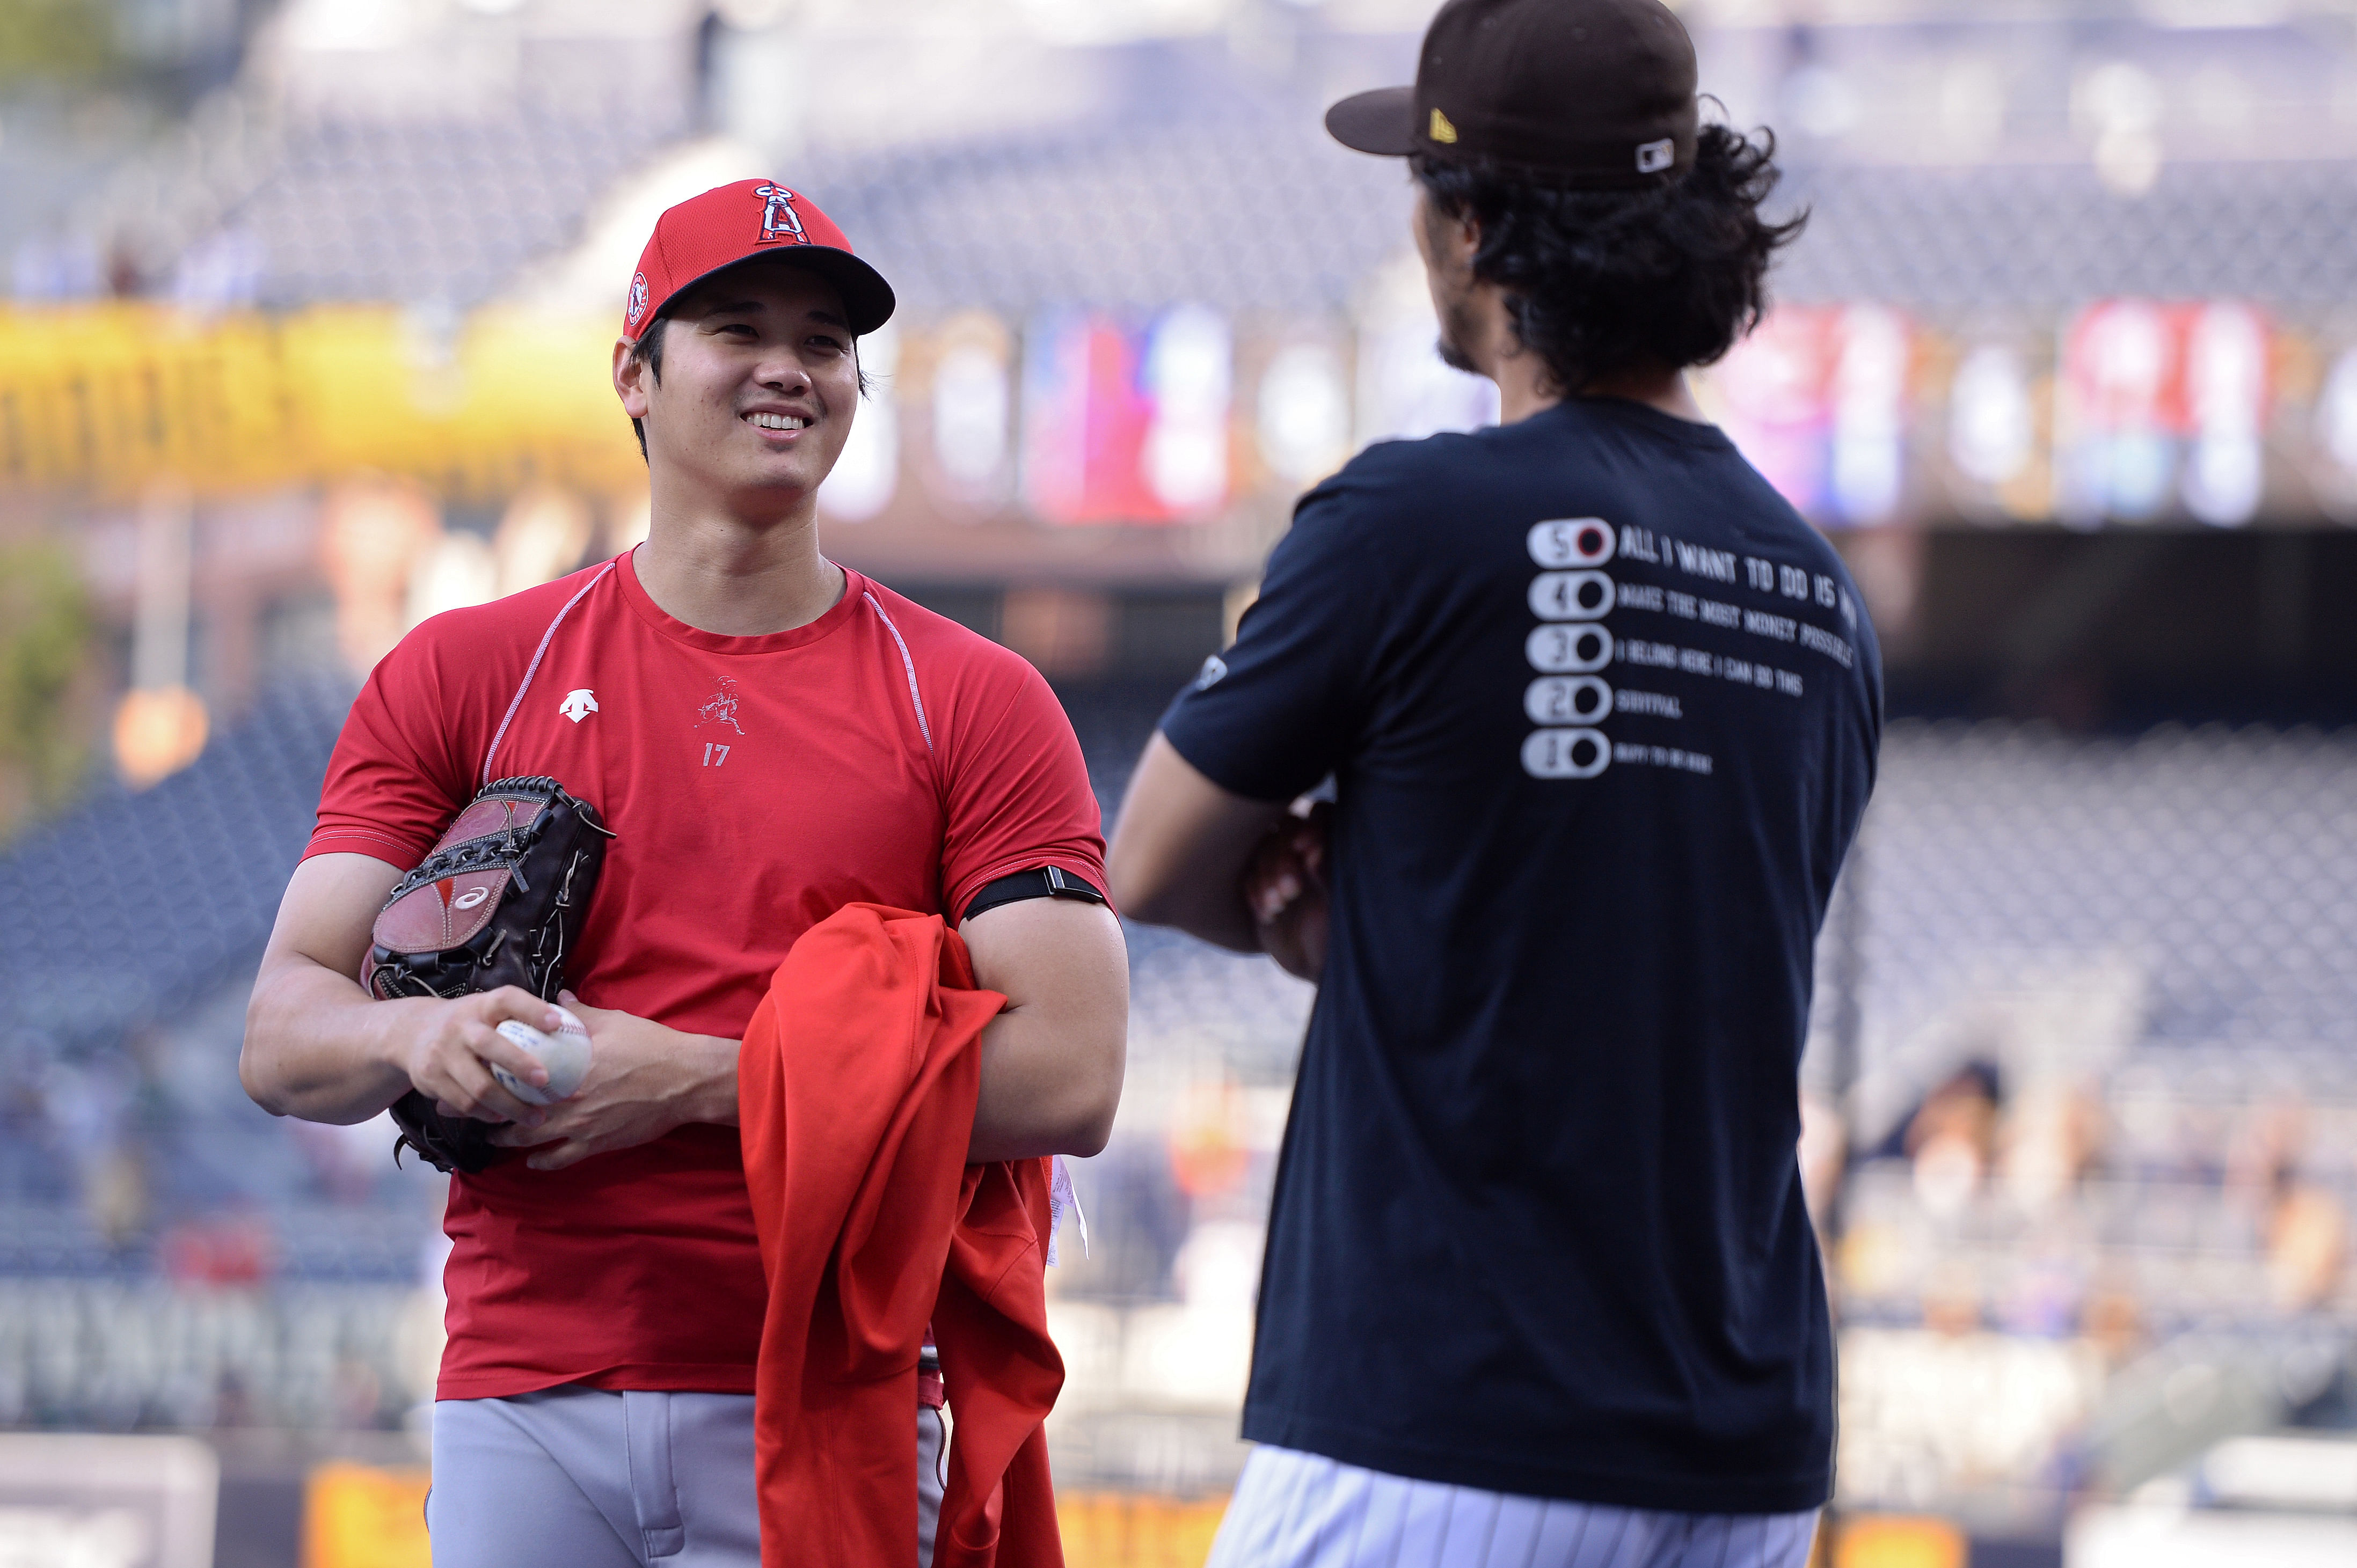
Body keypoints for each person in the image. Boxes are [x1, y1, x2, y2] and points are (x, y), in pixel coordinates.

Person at [241, 180, 1129, 1568]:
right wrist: (422, 1030)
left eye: (827, 341)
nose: (790, 366)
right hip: (526, 1391)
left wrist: (695, 1078)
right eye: (737, 325)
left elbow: (1073, 1076)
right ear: (633, 373)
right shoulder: (468, 669)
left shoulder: (974, 697)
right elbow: (285, 1031)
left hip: (831, 1397)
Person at [1106, 2, 1881, 1564]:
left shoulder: (1413, 515)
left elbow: (1151, 863)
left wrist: (1317, 912)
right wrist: (1405, 895)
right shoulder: (1820, 594)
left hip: (1444, 1427)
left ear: (1473, 228)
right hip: (1745, 1458)